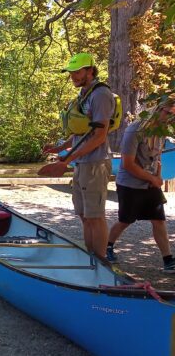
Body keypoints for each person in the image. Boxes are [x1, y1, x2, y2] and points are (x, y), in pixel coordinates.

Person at [42, 53, 115, 259]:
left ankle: (100, 262)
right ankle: (89, 257)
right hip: (82, 163)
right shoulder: (84, 93)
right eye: (71, 72)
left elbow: (99, 136)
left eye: (77, 72)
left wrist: (67, 159)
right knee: (84, 216)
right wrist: (60, 149)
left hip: (96, 163)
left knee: (95, 216)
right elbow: (81, 132)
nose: (73, 76)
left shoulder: (100, 95)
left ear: (90, 70)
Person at [106, 100, 175, 272]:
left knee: (159, 220)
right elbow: (127, 164)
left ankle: (168, 260)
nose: (170, 118)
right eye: (168, 113)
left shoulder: (160, 132)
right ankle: (107, 247)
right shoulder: (135, 130)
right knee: (125, 220)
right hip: (129, 184)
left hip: (151, 183)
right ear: (158, 109)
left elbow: (156, 157)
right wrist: (152, 179)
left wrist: (157, 176)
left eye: (173, 115)